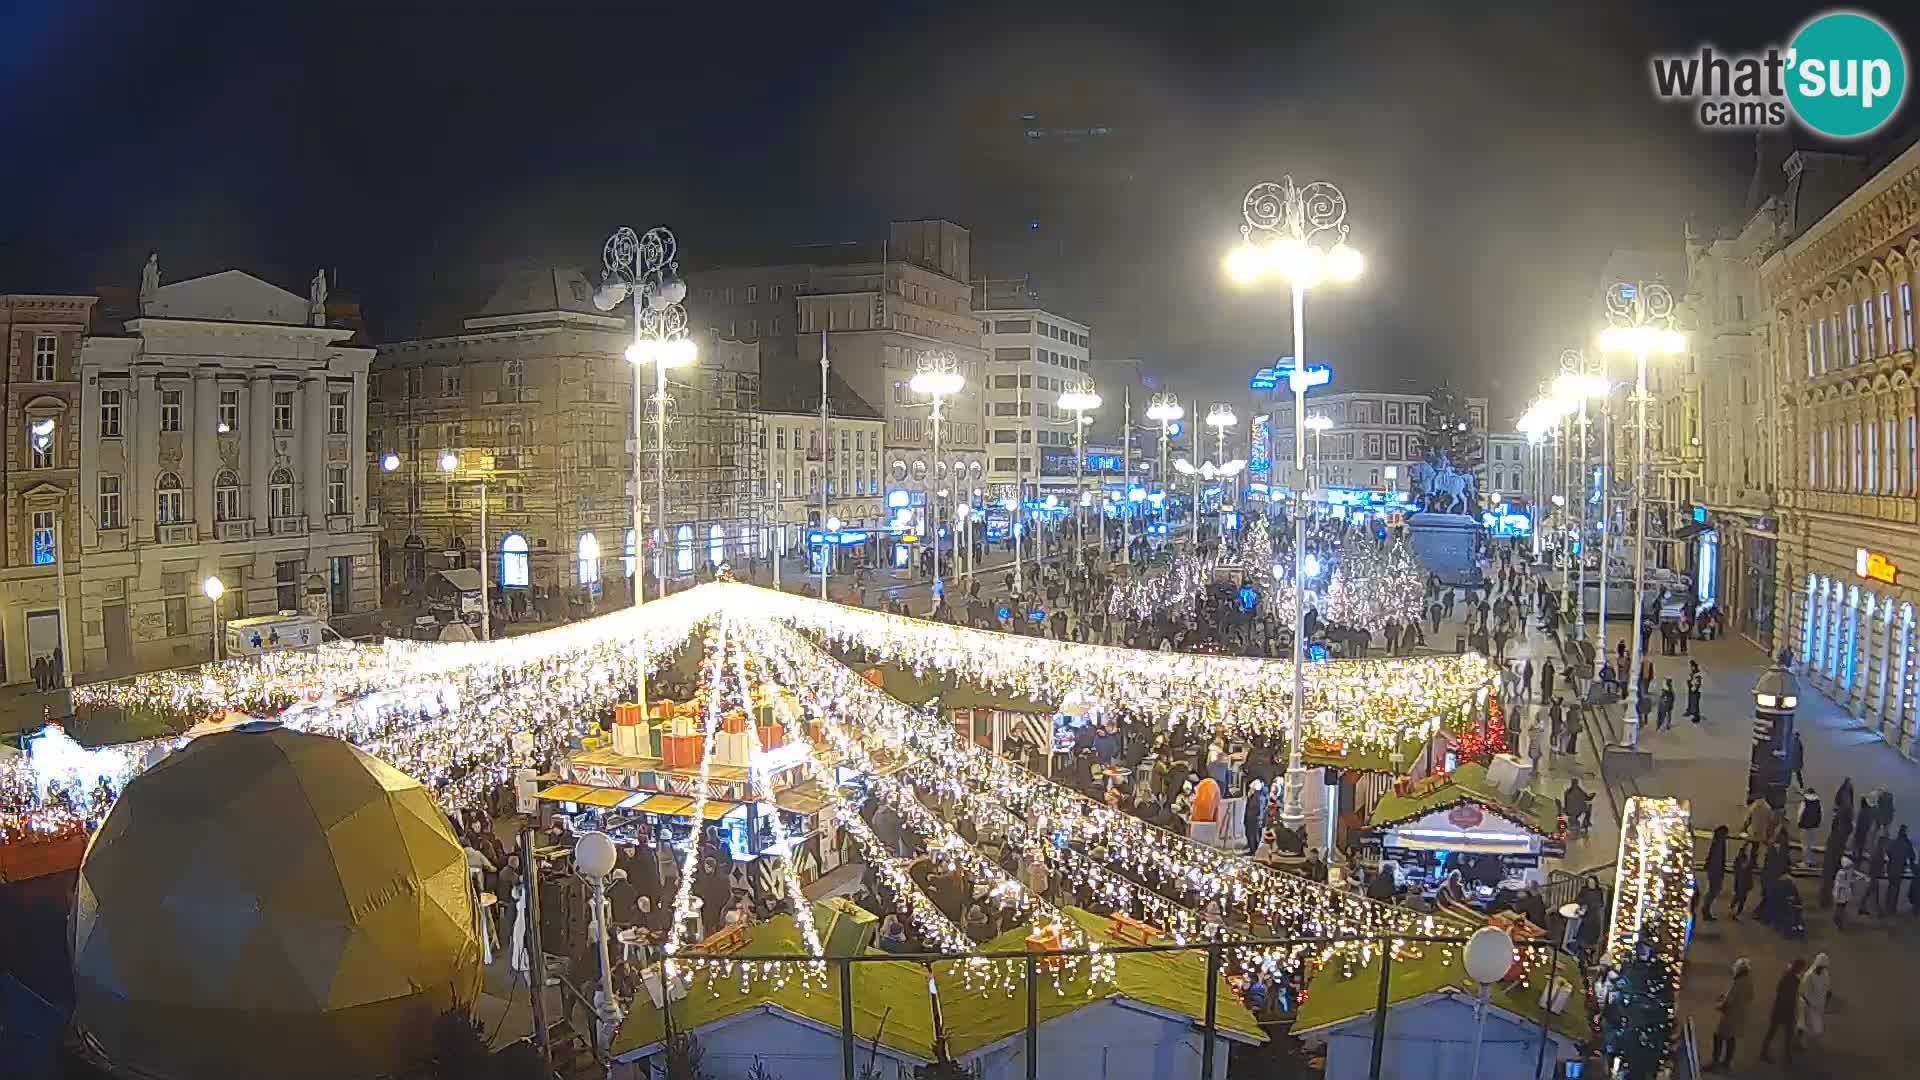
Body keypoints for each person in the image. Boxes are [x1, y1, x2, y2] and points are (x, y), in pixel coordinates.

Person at [1705, 956, 1753, 1072]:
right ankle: (1727, 1062)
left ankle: (1715, 1062)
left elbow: (1728, 1002)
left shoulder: (1738, 982)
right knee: (1731, 1038)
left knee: (1718, 1036)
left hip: (1731, 1016)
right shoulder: (1748, 981)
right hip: (1740, 1015)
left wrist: (1719, 1005)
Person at [1759, 957, 1804, 1065]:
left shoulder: (1787, 975)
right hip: (1786, 1010)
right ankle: (1786, 1056)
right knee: (1786, 1034)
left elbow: (1780, 990)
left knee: (1773, 1031)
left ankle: (1766, 1052)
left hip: (1778, 1009)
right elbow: (1790, 996)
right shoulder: (1793, 979)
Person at [1797, 953, 1831, 1051]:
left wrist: (1826, 1000)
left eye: (1823, 967)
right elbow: (1802, 991)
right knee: (1803, 1024)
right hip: (1807, 1005)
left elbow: (1827, 988)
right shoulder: (1809, 976)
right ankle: (1799, 1043)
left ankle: (1801, 1042)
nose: (1822, 969)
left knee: (1816, 1029)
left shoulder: (1825, 974)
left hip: (1818, 1006)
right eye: (1821, 967)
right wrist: (1808, 1004)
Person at [1700, 825, 1729, 920]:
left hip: (1714, 870)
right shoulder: (1719, 844)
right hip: (1715, 870)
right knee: (1713, 890)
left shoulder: (1717, 843)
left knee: (1713, 890)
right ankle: (1706, 908)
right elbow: (1718, 859)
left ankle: (1706, 908)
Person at [1889, 824, 1915, 915]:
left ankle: (1888, 907)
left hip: (1891, 867)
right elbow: (1912, 856)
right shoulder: (1906, 843)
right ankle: (1892, 909)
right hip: (1899, 868)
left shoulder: (1894, 842)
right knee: (1895, 888)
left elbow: (1889, 852)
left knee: (1891, 886)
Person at [1729, 843, 1756, 919]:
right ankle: (1733, 909)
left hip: (1746, 880)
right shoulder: (1741, 856)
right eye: (1748, 848)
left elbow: (1751, 867)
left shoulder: (1751, 857)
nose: (1749, 849)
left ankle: (1737, 912)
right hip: (1741, 879)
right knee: (1739, 895)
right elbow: (1736, 866)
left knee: (1743, 897)